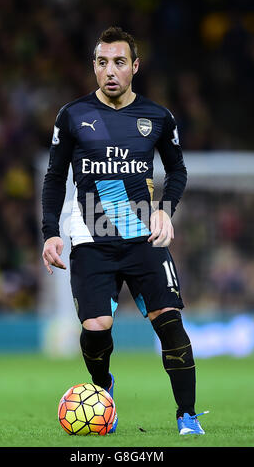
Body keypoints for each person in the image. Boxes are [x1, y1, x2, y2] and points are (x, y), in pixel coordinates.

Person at [41, 26, 207, 435]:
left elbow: (179, 169)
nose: (110, 71)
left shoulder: (157, 117)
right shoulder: (73, 115)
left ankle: (186, 415)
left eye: (119, 62)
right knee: (96, 329)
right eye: (102, 62)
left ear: (135, 66)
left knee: (169, 319)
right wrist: (50, 232)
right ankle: (102, 391)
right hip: (91, 240)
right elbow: (53, 177)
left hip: (142, 238)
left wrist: (165, 210)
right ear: (94, 67)